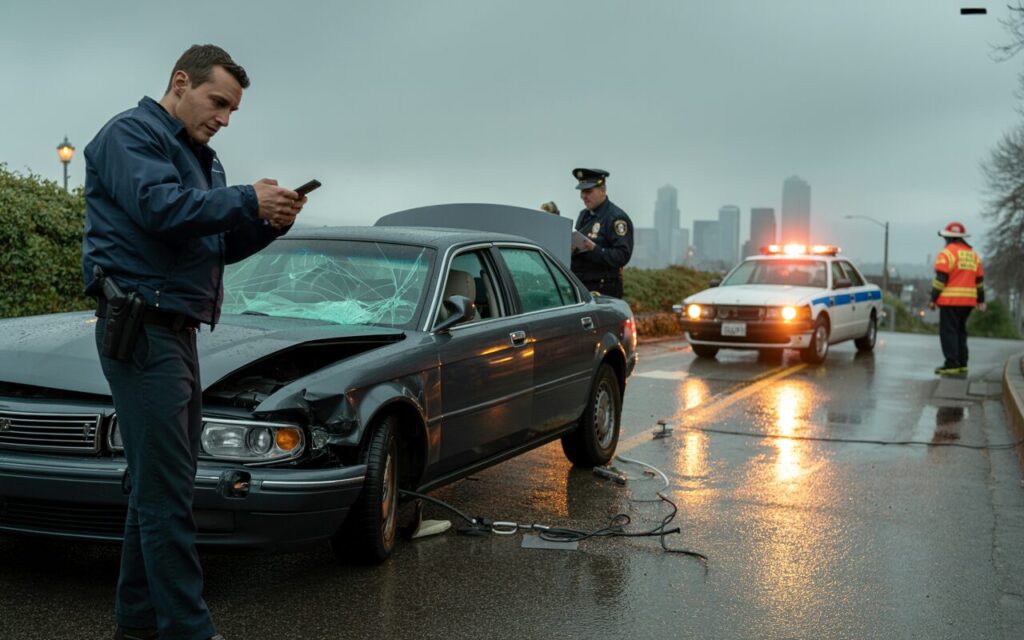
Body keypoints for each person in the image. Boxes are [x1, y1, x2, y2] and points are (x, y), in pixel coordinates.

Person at [81, 44, 305, 640]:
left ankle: (137, 624)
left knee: (160, 488)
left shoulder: (204, 160)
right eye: (218, 102)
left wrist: (266, 224)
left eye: (233, 109)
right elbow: (159, 209)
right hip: (141, 329)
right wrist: (243, 201)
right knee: (165, 496)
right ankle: (188, 630)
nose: (225, 118)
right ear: (181, 81)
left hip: (175, 333)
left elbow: (213, 245)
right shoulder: (129, 135)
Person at [928, 221, 986, 376]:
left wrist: (933, 299)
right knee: (960, 331)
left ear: (948, 238)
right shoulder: (973, 255)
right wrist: (981, 300)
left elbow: (941, 278)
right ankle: (962, 363)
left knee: (949, 332)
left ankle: (951, 364)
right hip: (968, 302)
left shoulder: (947, 253)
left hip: (950, 301)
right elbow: (979, 281)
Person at [569, 168, 634, 297]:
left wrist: (595, 249)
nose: (583, 196)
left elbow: (622, 255)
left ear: (603, 190)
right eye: (582, 192)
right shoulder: (584, 215)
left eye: (588, 191)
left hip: (603, 289)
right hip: (581, 286)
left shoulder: (616, 218)